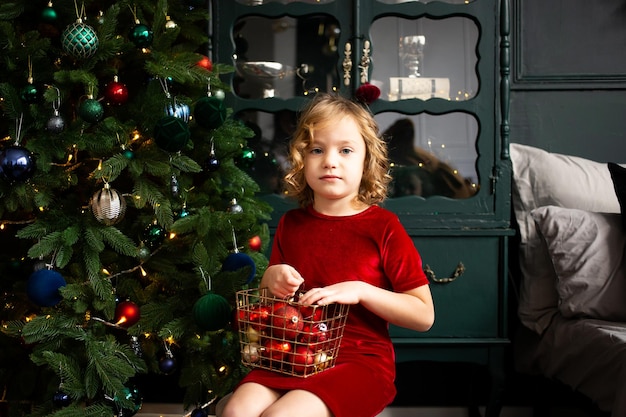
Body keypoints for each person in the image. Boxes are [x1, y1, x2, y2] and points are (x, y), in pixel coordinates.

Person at [220, 93, 435, 417]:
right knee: (237, 411)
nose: (330, 161)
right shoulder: (292, 224)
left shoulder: (383, 226)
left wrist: (361, 291)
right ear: (301, 159)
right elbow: (272, 308)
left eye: (345, 150)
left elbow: (423, 316)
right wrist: (269, 279)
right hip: (292, 354)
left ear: (367, 162)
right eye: (317, 150)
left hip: (359, 361)